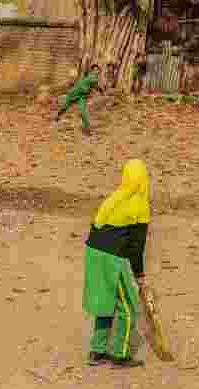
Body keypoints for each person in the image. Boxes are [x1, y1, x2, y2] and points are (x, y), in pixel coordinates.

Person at [82, 158, 150, 368]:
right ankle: (120, 355)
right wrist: (139, 276)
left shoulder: (114, 197)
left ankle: (98, 351)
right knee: (127, 306)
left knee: (104, 301)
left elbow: (97, 228)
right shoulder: (139, 204)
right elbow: (136, 248)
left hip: (92, 253)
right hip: (111, 258)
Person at [55, 64, 104, 135]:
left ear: (99, 72)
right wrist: (101, 90)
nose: (96, 71)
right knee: (64, 107)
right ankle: (57, 116)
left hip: (82, 97)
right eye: (94, 70)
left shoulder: (93, 78)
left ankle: (88, 129)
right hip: (73, 94)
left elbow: (96, 86)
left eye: (97, 70)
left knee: (83, 112)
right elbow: (96, 86)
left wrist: (100, 91)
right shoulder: (91, 77)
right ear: (91, 71)